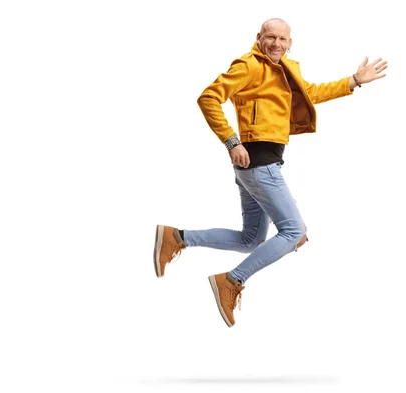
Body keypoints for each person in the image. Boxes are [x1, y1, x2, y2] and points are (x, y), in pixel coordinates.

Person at [154, 18, 387, 328]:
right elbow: (208, 98)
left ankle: (176, 237)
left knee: (251, 238)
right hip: (257, 162)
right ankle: (232, 280)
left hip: (258, 166)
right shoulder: (249, 65)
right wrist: (231, 141)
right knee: (295, 232)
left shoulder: (287, 68)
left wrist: (354, 81)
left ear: (290, 42)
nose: (276, 43)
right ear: (259, 38)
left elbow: (311, 93)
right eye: (270, 37)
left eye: (282, 39)